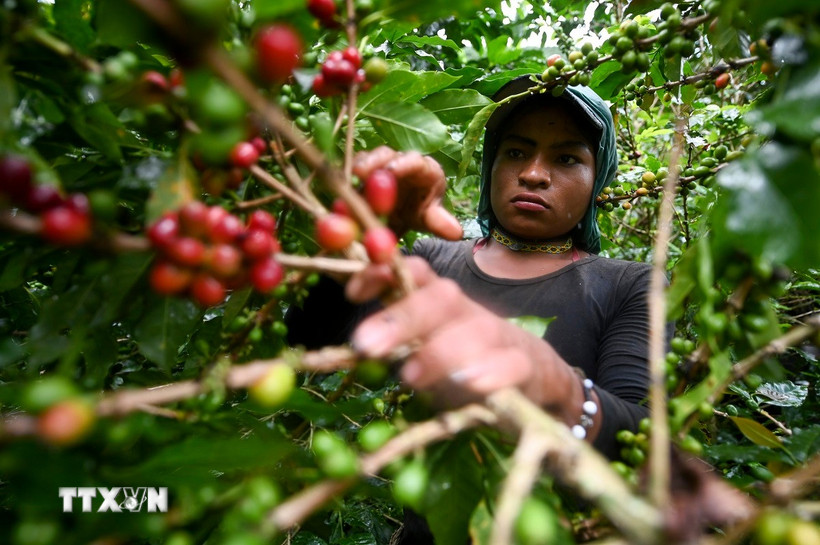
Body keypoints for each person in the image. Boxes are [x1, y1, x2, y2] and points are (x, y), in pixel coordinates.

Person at [288, 75, 663, 458]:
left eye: (566, 159)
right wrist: (358, 240)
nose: (533, 174)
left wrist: (563, 392)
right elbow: (308, 343)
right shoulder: (428, 260)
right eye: (515, 152)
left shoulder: (630, 286)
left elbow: (642, 438)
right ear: (491, 165)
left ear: (597, 178)